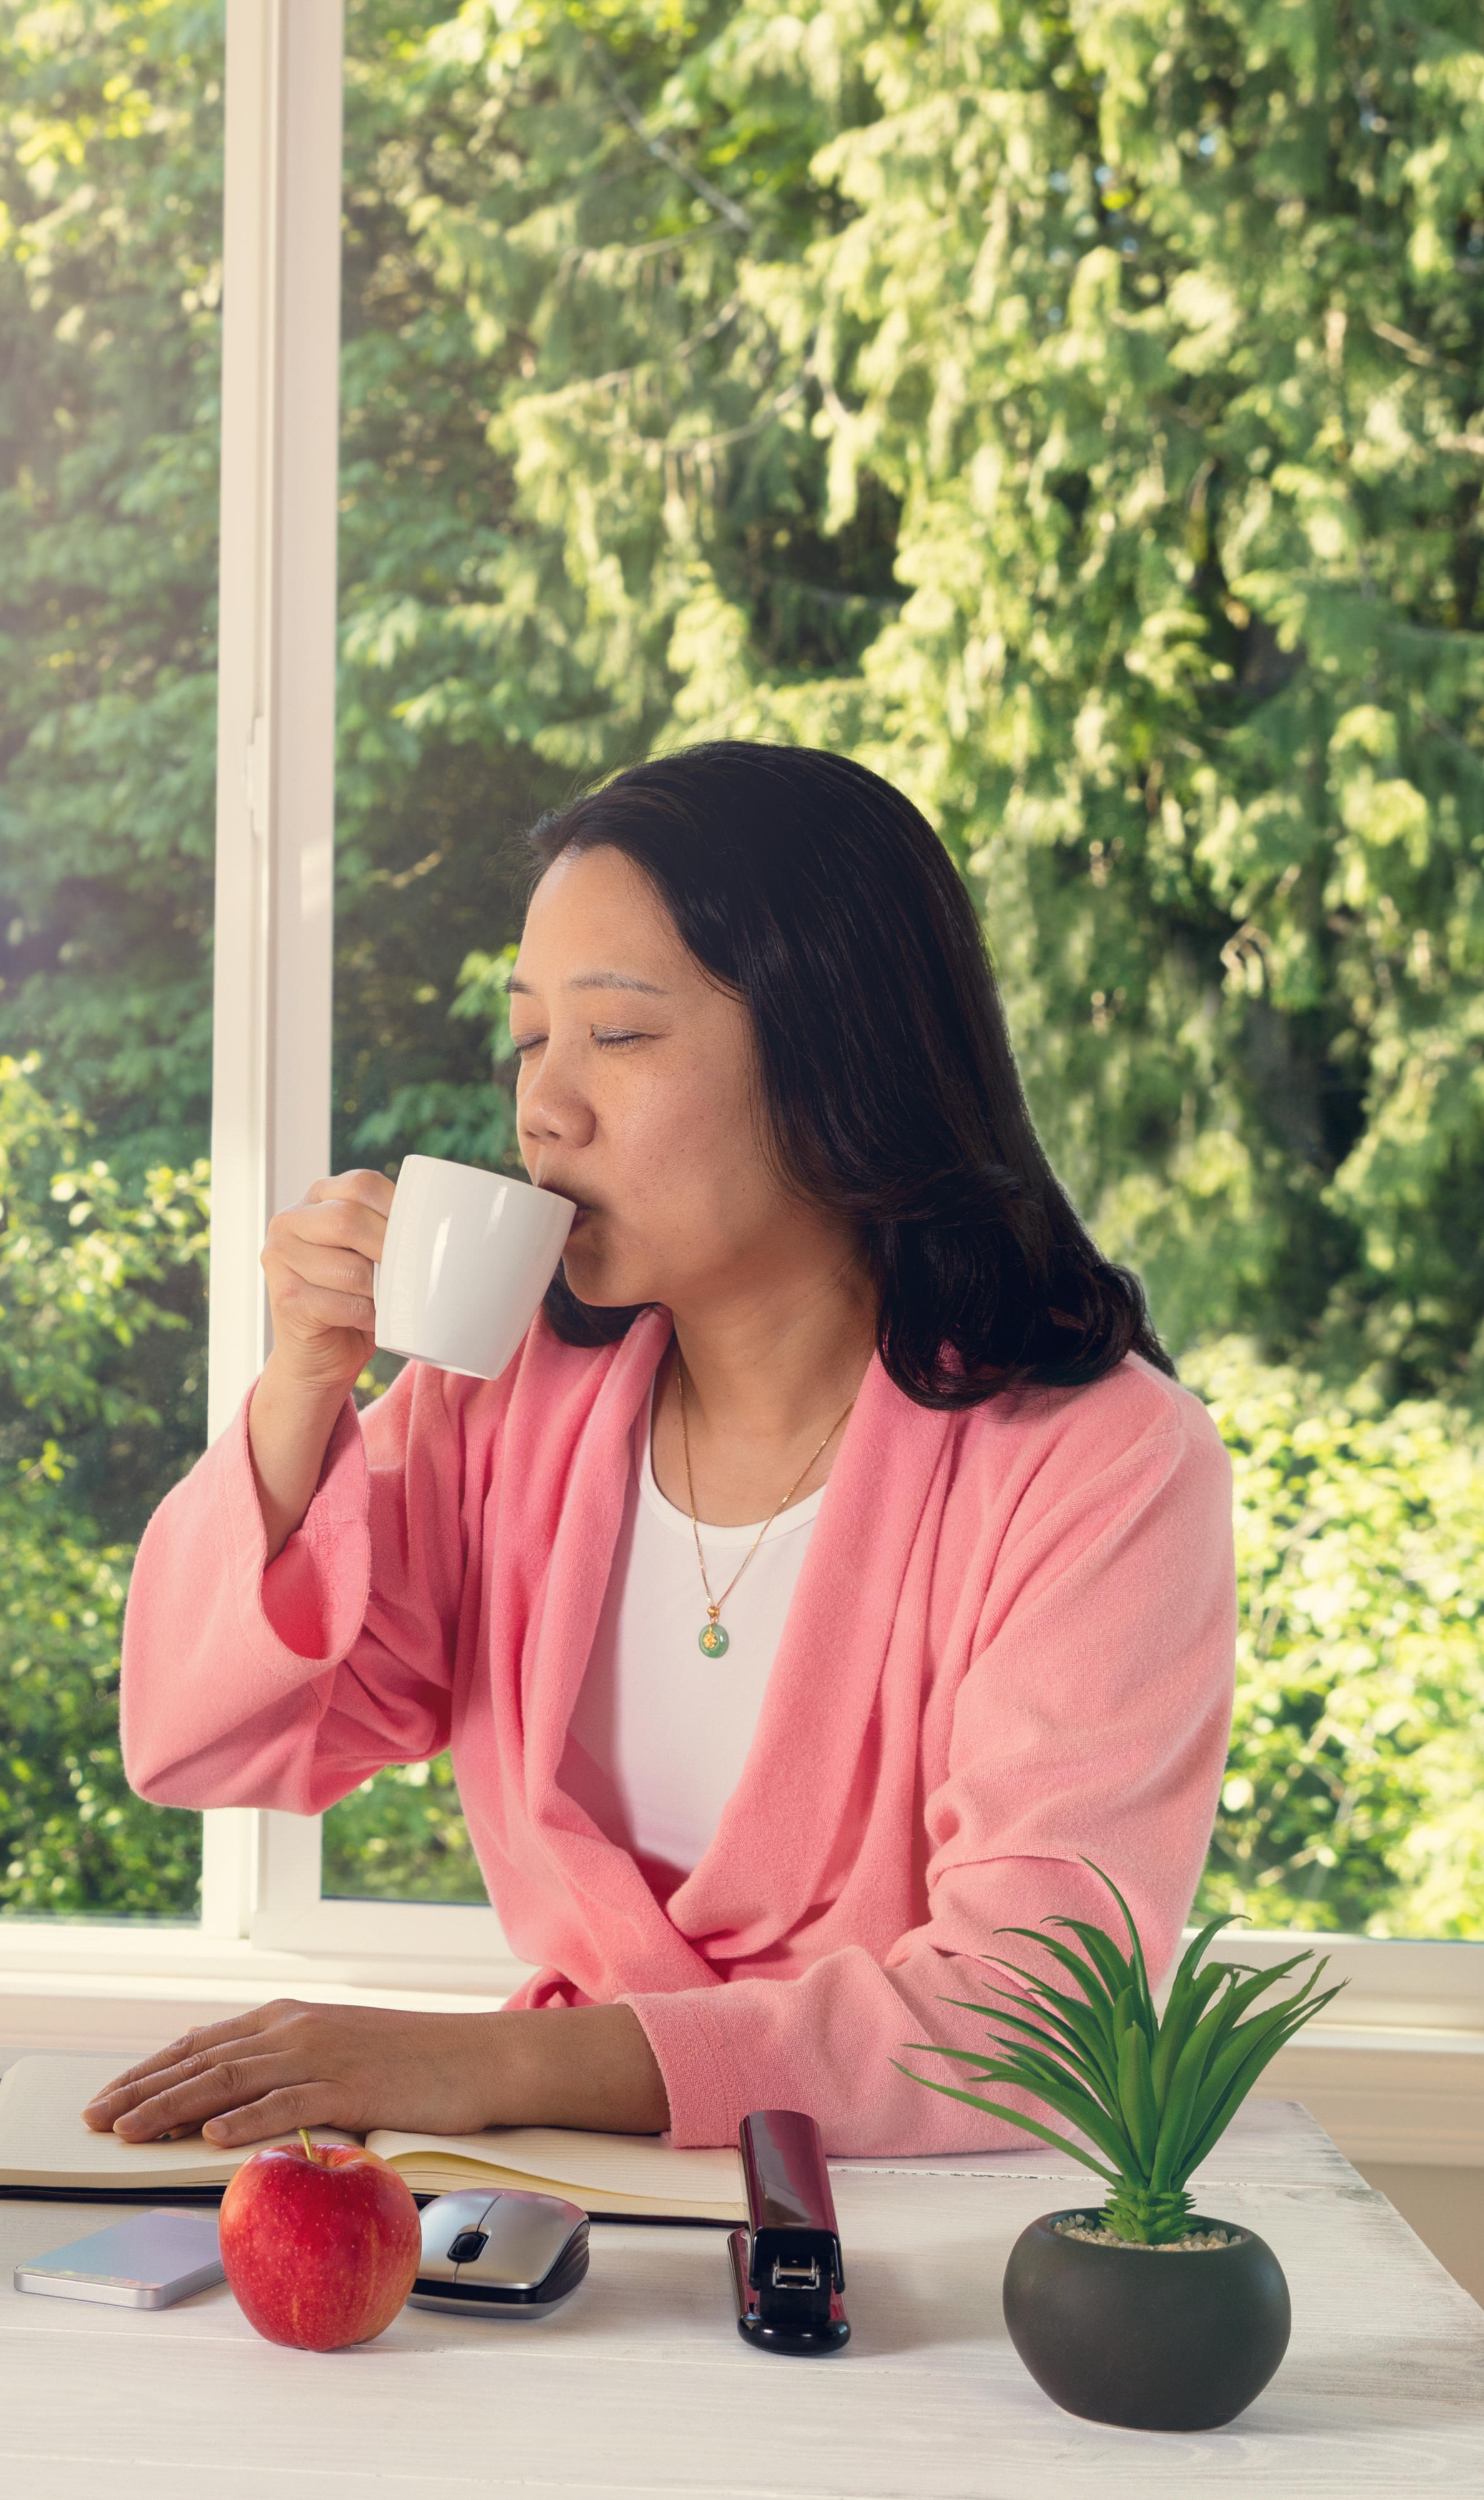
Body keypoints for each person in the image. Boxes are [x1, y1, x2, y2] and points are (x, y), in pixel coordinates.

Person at [86, 742, 1236, 2158]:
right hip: (567, 2213)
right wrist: (299, 1391)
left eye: (618, 1037)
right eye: (530, 1038)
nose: (543, 1107)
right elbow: (203, 1741)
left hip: (910, 2247)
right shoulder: (506, 1403)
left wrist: (495, 2062)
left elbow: (1034, 2017)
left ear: (841, 1052)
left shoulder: (1099, 1466)